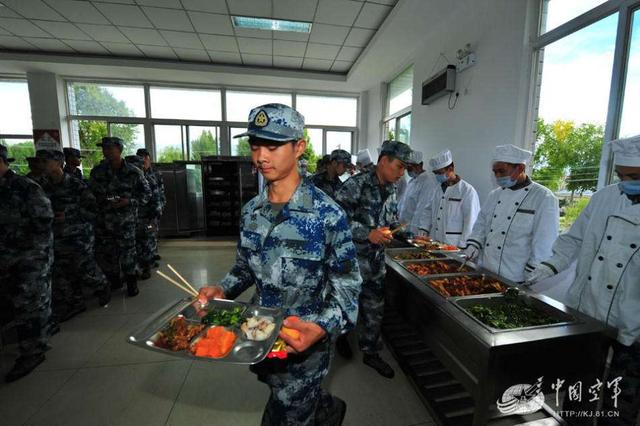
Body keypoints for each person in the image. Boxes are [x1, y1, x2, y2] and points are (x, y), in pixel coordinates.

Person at [197, 103, 361, 426]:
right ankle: (323, 406)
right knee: (278, 394)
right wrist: (222, 288)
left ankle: (317, 405)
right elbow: (245, 267)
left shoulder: (327, 215)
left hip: (305, 348)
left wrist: (322, 327)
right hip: (261, 335)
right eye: (255, 145)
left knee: (289, 412)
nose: (261, 157)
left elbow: (348, 287)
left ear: (299, 147)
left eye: (273, 145)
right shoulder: (251, 212)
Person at [526, 136, 640, 425]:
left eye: (634, 176)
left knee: (621, 399)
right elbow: (573, 240)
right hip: (588, 308)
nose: (625, 182)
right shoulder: (604, 197)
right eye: (621, 175)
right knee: (579, 386)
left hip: (634, 319)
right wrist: (549, 266)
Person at [334, 140, 415, 378]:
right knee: (344, 306)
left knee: (374, 309)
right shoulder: (355, 185)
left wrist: (400, 232)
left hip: (376, 264)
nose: (402, 173)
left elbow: (388, 220)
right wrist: (367, 233)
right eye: (399, 166)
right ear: (383, 161)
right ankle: (340, 340)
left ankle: (371, 352)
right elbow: (335, 222)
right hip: (350, 263)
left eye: (404, 169)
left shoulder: (391, 189)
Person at [463, 144, 559, 283]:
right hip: (487, 269)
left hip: (516, 276)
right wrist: (473, 246)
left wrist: (532, 273)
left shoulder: (543, 198)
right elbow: (481, 225)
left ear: (520, 168)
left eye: (502, 171)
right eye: (495, 172)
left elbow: (544, 242)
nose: (497, 176)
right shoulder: (494, 195)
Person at [0, 144, 53, 382]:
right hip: (6, 258)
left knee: (29, 304)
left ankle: (33, 351)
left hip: (28, 259)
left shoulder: (25, 188)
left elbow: (43, 223)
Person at [39, 149, 110, 322]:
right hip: (57, 236)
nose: (42, 165)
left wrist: (69, 215)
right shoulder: (42, 186)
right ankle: (74, 303)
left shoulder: (76, 185)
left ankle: (102, 286)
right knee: (64, 272)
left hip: (79, 235)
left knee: (85, 267)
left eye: (45, 161)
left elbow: (93, 208)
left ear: (58, 163)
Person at [89, 137, 151, 297]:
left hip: (126, 221)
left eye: (110, 148)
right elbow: (90, 195)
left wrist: (129, 201)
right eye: (104, 148)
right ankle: (115, 280)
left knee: (127, 252)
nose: (106, 151)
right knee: (108, 253)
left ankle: (131, 282)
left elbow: (146, 194)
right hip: (104, 220)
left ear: (119, 149)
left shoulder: (133, 172)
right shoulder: (97, 172)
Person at [424, 150, 480, 247]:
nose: (437, 176)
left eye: (440, 173)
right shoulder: (437, 189)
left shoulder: (466, 191)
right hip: (434, 241)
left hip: (454, 244)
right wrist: (423, 228)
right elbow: (428, 210)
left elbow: (470, 221)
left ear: (450, 169)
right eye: (435, 173)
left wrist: (463, 246)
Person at [125, 154, 161, 279]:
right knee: (133, 246)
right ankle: (135, 268)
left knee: (146, 243)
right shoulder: (126, 181)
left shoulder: (149, 181)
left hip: (146, 218)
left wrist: (153, 219)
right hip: (129, 220)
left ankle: (146, 267)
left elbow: (156, 200)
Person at [136, 148, 165, 262]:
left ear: (149, 159)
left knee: (153, 232)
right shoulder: (137, 174)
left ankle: (152, 253)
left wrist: (161, 206)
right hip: (142, 212)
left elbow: (161, 191)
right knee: (145, 235)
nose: (144, 162)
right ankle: (147, 259)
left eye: (145, 159)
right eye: (141, 159)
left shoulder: (155, 173)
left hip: (154, 209)